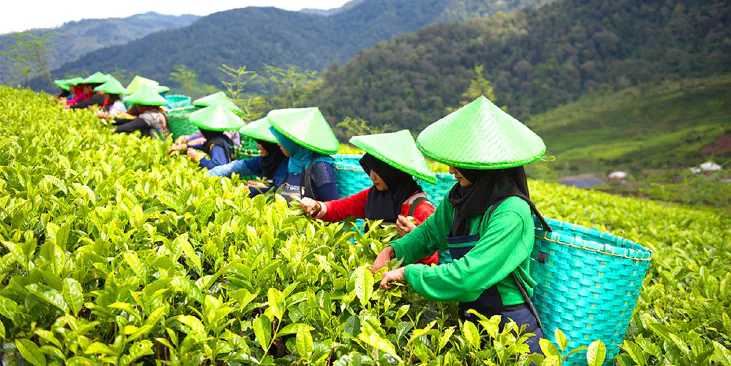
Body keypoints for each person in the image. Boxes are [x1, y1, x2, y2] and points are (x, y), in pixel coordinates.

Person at [371, 96, 550, 356]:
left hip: (511, 327)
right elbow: (430, 233)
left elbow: (469, 276)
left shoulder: (512, 212)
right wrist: (393, 251)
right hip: (472, 319)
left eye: (461, 164)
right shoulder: (459, 197)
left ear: (485, 166)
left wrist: (408, 273)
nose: (452, 169)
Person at [299, 130, 440, 265]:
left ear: (393, 171)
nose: (372, 176)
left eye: (378, 170)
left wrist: (415, 242)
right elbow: (341, 207)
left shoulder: (420, 209)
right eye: (370, 169)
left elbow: (431, 262)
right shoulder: (373, 196)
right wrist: (317, 206)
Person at [268, 107, 339, 202]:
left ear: (292, 142)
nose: (279, 144)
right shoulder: (291, 161)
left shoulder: (321, 167)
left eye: (282, 140)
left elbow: (331, 205)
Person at [209, 117, 289, 198]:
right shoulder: (264, 160)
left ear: (272, 147)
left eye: (261, 143)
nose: (258, 146)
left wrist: (266, 190)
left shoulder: (288, 165)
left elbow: (287, 195)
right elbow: (235, 167)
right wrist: (208, 176)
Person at [167, 105, 243, 170]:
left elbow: (219, 168)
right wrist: (185, 146)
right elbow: (204, 146)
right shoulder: (218, 138)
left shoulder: (217, 146)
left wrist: (198, 158)